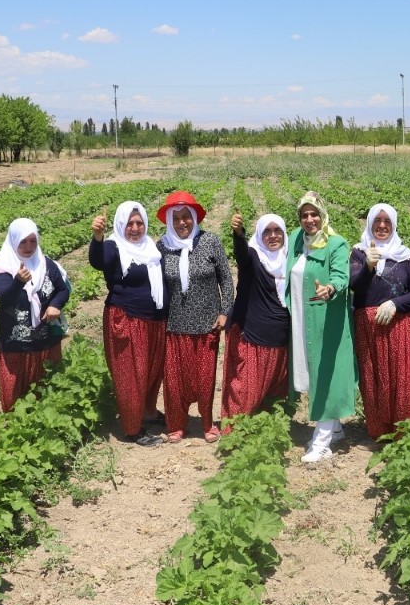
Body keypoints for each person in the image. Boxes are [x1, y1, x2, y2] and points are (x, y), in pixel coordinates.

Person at [157, 191, 233, 442]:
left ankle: (207, 423)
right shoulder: (162, 247)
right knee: (175, 381)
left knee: (204, 379)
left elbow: (226, 278)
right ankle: (177, 424)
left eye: (186, 217)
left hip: (206, 324)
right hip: (174, 324)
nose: (182, 223)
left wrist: (225, 312)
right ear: (169, 221)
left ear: (194, 218)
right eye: (176, 218)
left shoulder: (209, 241)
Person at [287, 191, 357, 463]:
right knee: (311, 370)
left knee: (326, 372)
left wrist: (330, 288)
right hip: (301, 318)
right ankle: (336, 426)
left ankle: (322, 442)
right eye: (304, 215)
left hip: (325, 320)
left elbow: (341, 276)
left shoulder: (336, 243)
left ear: (323, 214)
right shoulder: (295, 239)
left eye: (314, 213)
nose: (309, 219)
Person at [90, 201, 167, 446]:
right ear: (121, 224)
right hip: (127, 318)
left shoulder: (151, 249)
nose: (135, 228)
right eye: (130, 224)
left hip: (154, 320)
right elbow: (98, 261)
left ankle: (147, 412)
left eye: (139, 222)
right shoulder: (113, 247)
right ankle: (133, 429)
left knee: (151, 372)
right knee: (131, 374)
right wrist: (98, 237)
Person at [350, 203, 410, 440]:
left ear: (394, 225)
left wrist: (395, 304)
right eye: (377, 221)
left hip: (400, 325)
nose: (382, 225)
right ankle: (380, 432)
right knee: (374, 378)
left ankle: (404, 433)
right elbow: (354, 286)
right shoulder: (360, 252)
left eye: (387, 221)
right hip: (368, 326)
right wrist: (368, 266)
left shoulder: (405, 255)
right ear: (370, 223)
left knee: (403, 378)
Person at [0, 218, 70, 412]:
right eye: (23, 242)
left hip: (46, 339)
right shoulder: (4, 266)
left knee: (45, 386)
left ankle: (45, 424)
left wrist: (55, 304)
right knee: (16, 393)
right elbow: (5, 297)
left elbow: (62, 289)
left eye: (33, 241)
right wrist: (18, 281)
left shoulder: (46, 264)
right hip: (16, 342)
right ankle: (15, 424)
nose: (29, 247)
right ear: (13, 241)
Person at [223, 211, 290, 425]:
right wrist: (239, 234)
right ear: (259, 235)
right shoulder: (253, 256)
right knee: (246, 389)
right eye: (267, 232)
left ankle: (266, 430)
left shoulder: (291, 260)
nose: (272, 236)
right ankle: (237, 432)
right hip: (252, 334)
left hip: (281, 337)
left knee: (274, 389)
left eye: (277, 231)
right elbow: (241, 255)